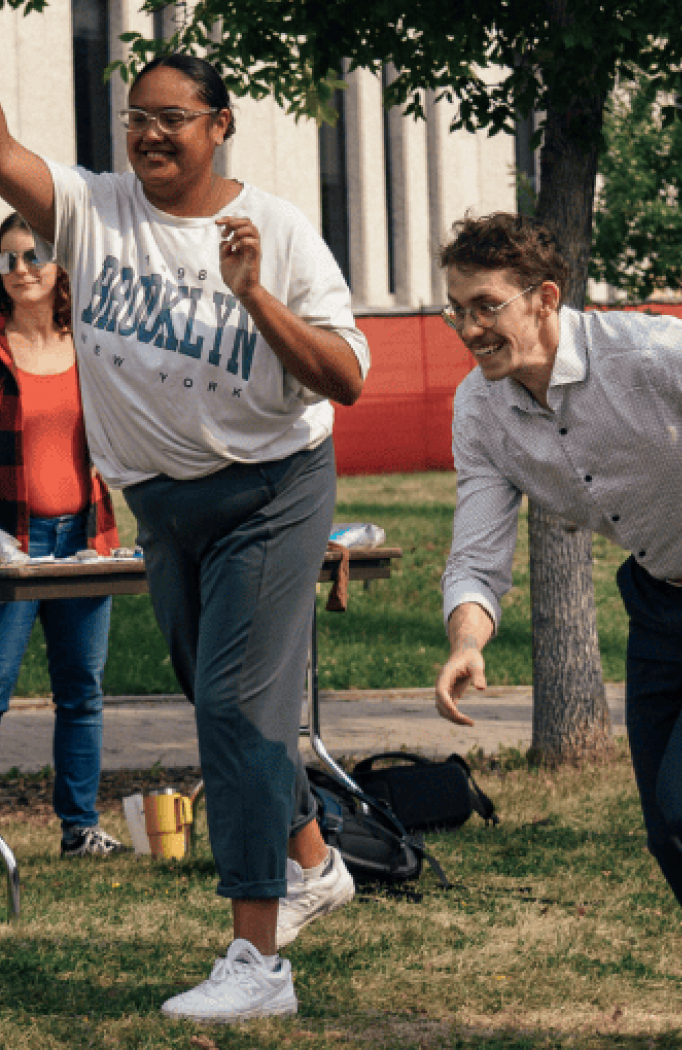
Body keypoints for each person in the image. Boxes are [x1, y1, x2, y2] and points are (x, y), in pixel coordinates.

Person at [0, 53, 367, 1023]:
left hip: (269, 493)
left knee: (234, 714)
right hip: (167, 510)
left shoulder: (279, 231)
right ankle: (315, 862)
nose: (150, 134)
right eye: (136, 117)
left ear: (221, 123)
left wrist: (253, 294)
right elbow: (2, 153)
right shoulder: (93, 211)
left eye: (172, 117)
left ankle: (259, 961)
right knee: (224, 697)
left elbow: (347, 378)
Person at [434, 210, 682, 948]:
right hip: (662, 605)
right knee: (667, 834)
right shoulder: (480, 409)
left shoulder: (653, 355)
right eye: (456, 309)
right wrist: (467, 639)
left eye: (486, 306)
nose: (468, 328)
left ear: (544, 298)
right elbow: (478, 554)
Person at [0, 211, 123, 858]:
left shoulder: (91, 346)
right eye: (8, 260)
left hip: (83, 539)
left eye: (32, 256)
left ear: (59, 268)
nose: (20, 270)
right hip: (9, 547)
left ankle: (80, 828)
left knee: (81, 692)